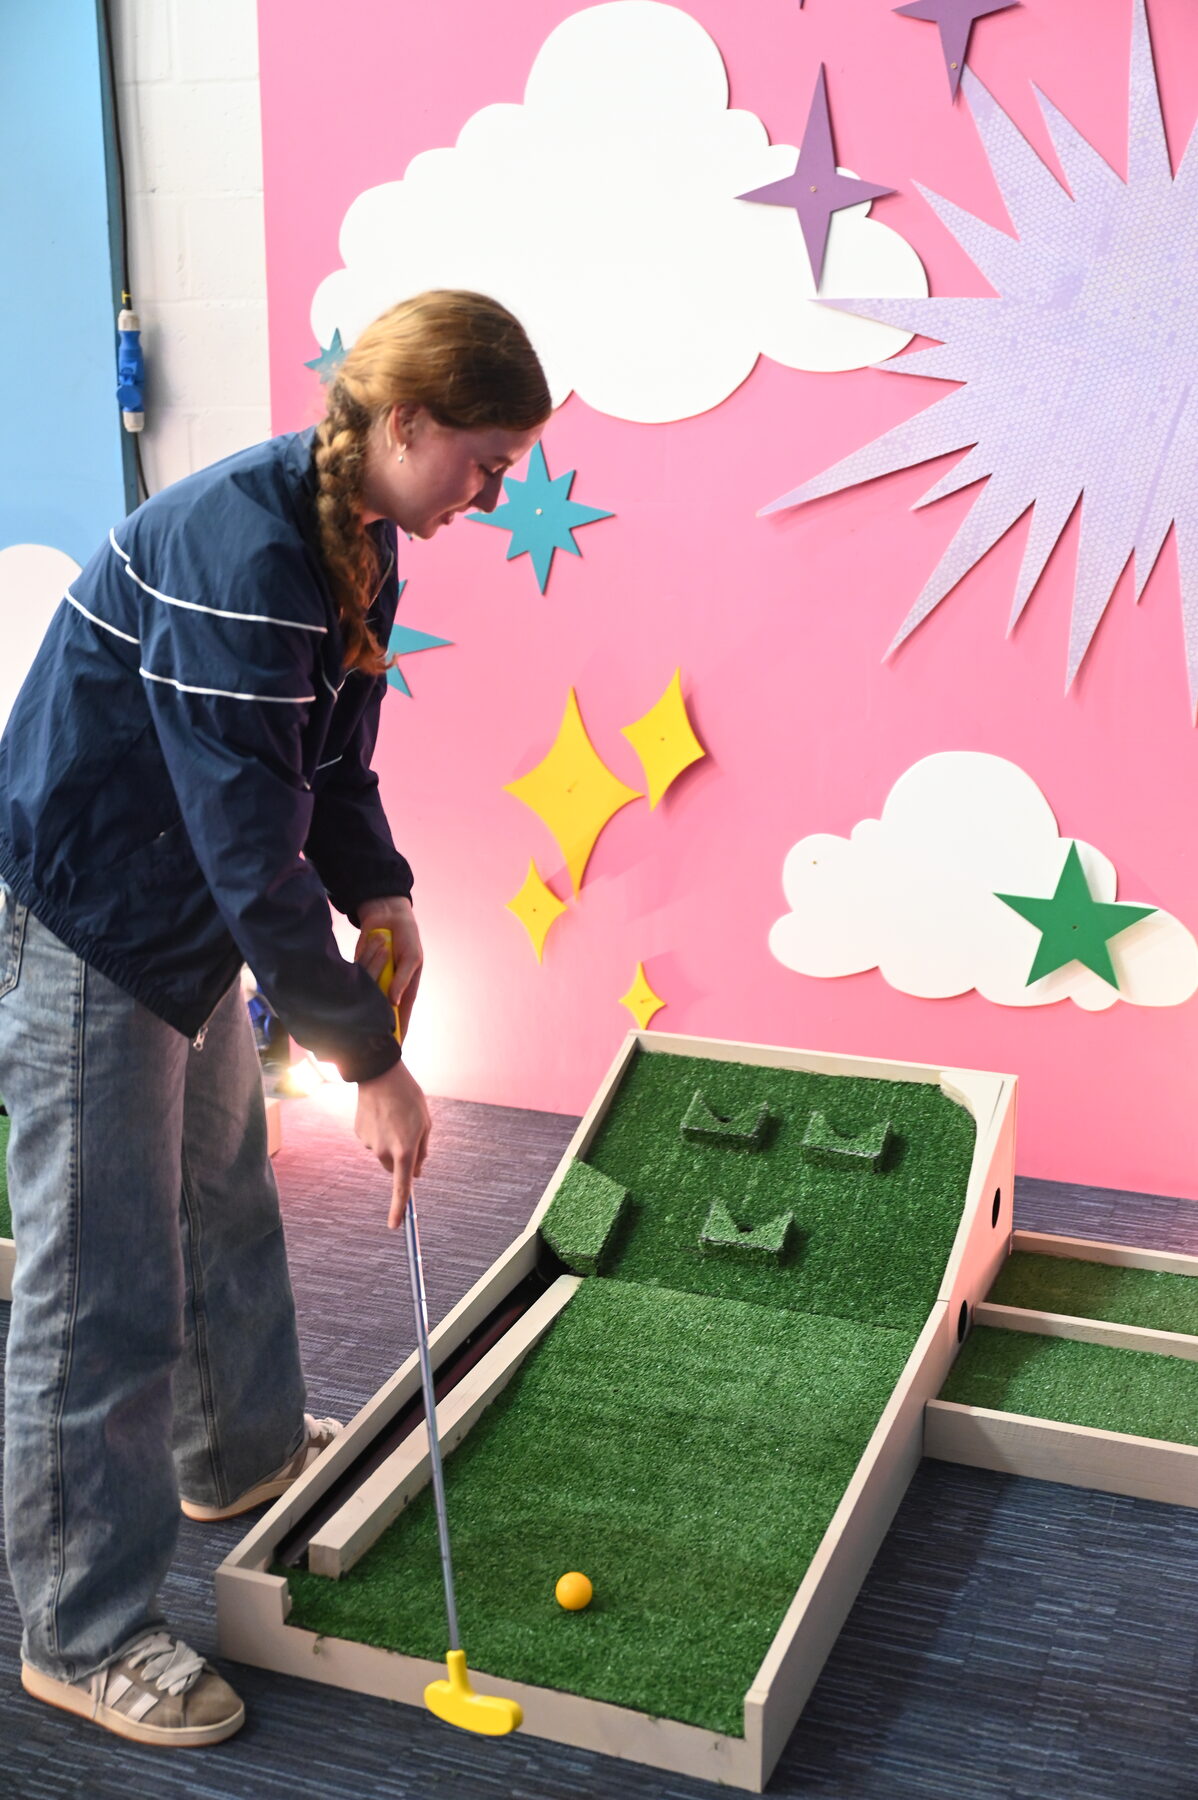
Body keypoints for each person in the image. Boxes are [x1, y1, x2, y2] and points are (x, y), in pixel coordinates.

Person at [0, 290, 551, 1747]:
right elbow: (248, 848)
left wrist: (384, 892)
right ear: (408, 422)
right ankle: (81, 1633)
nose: (493, 494)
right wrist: (370, 1060)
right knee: (100, 1283)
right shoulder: (244, 554)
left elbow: (329, 766)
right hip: (95, 916)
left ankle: (235, 1454)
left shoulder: (356, 535)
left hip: (183, 909)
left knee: (222, 1196)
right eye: (485, 462)